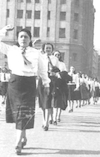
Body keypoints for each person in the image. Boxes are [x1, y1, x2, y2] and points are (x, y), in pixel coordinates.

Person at [0, 25, 50, 155]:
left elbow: (42, 70)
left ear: (30, 39)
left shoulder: (36, 53)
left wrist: (46, 83)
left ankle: (17, 143)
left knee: (24, 113)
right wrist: (4, 31)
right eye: (21, 36)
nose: (23, 38)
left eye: (26, 37)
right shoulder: (11, 50)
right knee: (19, 114)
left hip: (29, 84)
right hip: (15, 84)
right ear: (17, 38)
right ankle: (23, 137)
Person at [38, 43, 59, 130]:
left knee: (48, 100)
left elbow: (58, 70)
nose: (48, 50)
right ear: (43, 49)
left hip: (51, 80)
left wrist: (55, 73)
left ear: (52, 50)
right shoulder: (40, 57)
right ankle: (44, 120)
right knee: (42, 101)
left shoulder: (55, 59)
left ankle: (46, 123)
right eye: (46, 48)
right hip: (42, 79)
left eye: (50, 48)